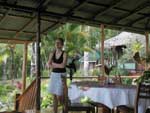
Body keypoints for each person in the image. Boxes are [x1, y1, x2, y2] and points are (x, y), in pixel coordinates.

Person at [47, 38, 67, 113]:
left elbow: (63, 66)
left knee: (60, 96)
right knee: (54, 96)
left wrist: (53, 64)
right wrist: (55, 65)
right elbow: (48, 64)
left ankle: (65, 109)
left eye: (58, 43)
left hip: (62, 75)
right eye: (56, 43)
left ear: (62, 45)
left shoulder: (64, 53)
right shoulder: (52, 53)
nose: (57, 44)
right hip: (54, 75)